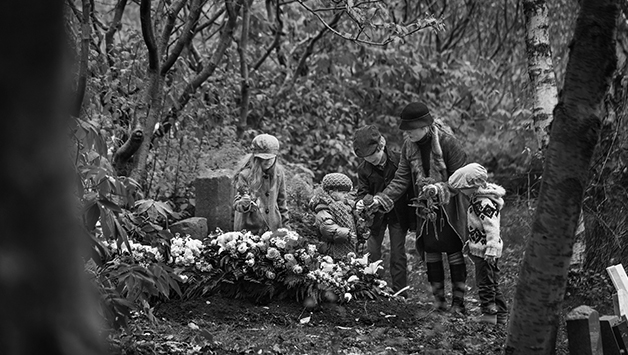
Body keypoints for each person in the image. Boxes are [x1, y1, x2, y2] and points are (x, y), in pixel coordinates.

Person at [369, 102, 469, 314]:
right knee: (431, 250)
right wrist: (382, 199)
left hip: (449, 207)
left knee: (453, 250)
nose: (407, 133)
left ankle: (459, 305)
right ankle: (440, 304)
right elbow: (401, 179)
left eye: (411, 129)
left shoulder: (449, 143)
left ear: (425, 126)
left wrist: (438, 188)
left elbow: (461, 178)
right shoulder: (409, 146)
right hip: (425, 209)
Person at [353, 125, 415, 295]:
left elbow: (406, 185)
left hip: (398, 214)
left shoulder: (398, 161)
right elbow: (362, 192)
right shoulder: (363, 169)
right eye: (366, 158)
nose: (370, 161)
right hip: (375, 217)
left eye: (373, 157)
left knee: (398, 253)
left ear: (381, 147)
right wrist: (361, 203)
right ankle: (375, 288)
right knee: (372, 253)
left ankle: (400, 291)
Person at [448, 163, 507, 325]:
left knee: (485, 285)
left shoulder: (483, 203)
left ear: (472, 186)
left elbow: (492, 228)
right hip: (482, 248)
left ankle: (490, 319)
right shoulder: (478, 200)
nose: (460, 191)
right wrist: (471, 242)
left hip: (486, 253)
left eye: (462, 188)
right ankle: (501, 317)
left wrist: (490, 250)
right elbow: (479, 227)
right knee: (492, 283)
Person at [233, 133, 289, 235]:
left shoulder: (278, 173)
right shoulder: (245, 175)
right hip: (250, 230)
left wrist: (286, 228)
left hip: (273, 228)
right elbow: (236, 204)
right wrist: (244, 204)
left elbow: (282, 202)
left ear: (275, 157)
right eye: (263, 158)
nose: (267, 161)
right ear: (256, 158)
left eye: (270, 158)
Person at [309, 173, 360, 260]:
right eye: (343, 193)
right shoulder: (323, 208)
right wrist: (347, 234)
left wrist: (360, 229)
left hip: (349, 247)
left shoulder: (347, 207)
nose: (346, 195)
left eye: (347, 193)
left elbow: (354, 222)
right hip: (331, 250)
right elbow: (326, 226)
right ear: (331, 192)